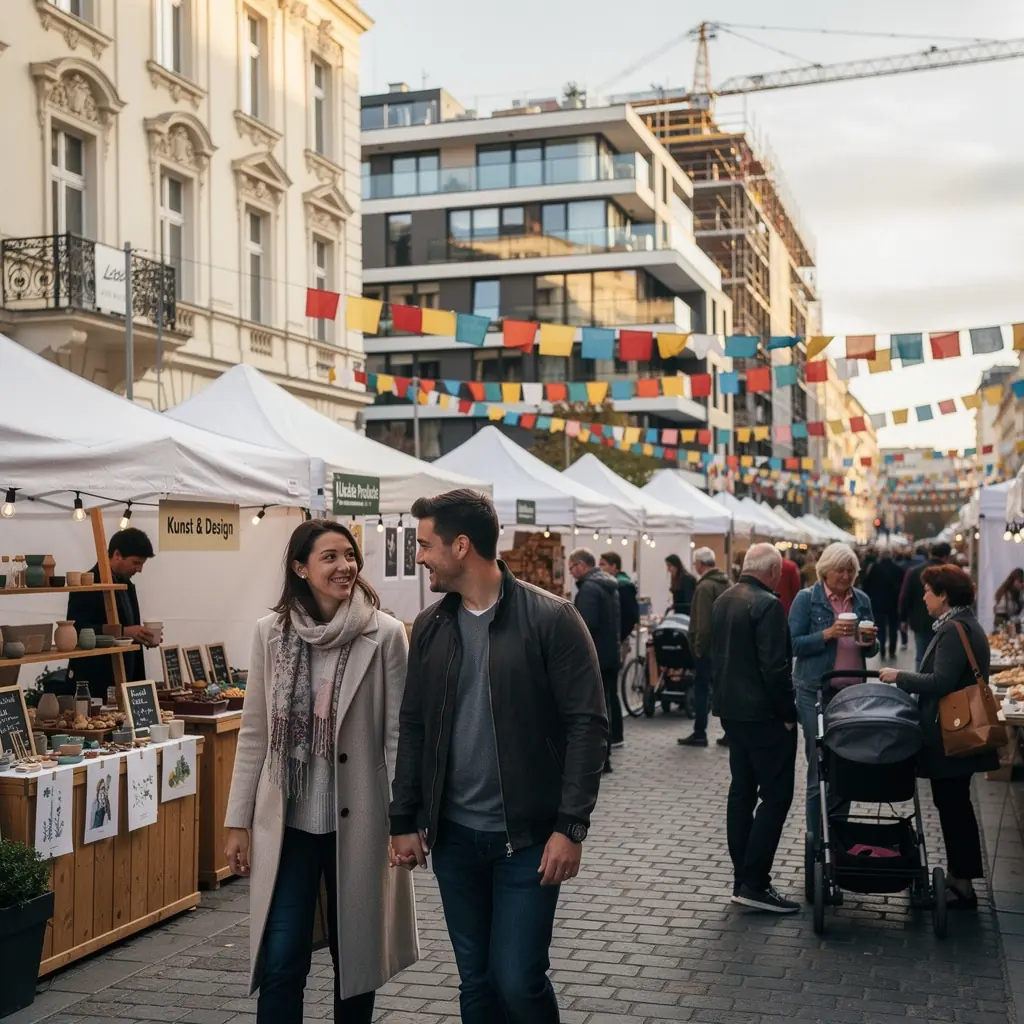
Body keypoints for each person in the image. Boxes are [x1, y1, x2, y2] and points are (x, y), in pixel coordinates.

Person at [389, 489, 607, 1024]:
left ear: (461, 546)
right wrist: (403, 817)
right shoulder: (433, 627)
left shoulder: (552, 619)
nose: (418, 557)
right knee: (477, 984)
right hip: (455, 840)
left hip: (529, 840)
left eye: (424, 544)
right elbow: (414, 726)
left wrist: (570, 826)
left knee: (519, 979)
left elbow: (588, 726)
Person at [223, 520, 418, 1023]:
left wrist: (403, 821)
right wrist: (236, 820)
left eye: (349, 555)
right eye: (329, 557)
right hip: (288, 824)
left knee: (354, 960)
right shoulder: (272, 634)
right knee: (283, 956)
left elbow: (398, 736)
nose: (344, 566)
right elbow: (255, 732)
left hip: (361, 821)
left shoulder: (387, 634)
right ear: (300, 568)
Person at [880, 565, 998, 909]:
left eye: (929, 591)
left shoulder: (954, 629)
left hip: (952, 734)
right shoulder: (965, 625)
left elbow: (941, 681)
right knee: (953, 805)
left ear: (944, 595)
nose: (924, 597)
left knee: (953, 806)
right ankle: (960, 877)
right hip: (956, 731)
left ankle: (961, 884)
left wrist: (899, 676)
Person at [711, 543, 799, 913]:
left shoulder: (724, 599)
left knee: (742, 793)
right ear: (774, 572)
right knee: (775, 796)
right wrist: (789, 712)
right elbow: (775, 668)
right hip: (763, 715)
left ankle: (743, 878)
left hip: (733, 711)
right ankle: (755, 881)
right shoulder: (767, 605)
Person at [789, 543, 878, 840]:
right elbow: (792, 643)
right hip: (814, 690)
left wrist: (871, 643)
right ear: (825, 570)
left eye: (851, 570)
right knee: (819, 767)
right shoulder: (807, 599)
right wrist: (826, 634)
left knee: (847, 764)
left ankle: (837, 836)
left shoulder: (862, 599)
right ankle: (817, 841)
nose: (845, 575)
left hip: (852, 693)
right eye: (840, 569)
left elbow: (871, 645)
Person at [66, 528, 156, 700]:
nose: (139, 569)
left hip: (125, 679)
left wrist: (142, 636)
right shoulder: (86, 586)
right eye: (136, 563)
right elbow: (77, 631)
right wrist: (123, 632)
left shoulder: (127, 586)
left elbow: (129, 629)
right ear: (117, 555)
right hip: (95, 683)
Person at [570, 549, 621, 774]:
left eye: (571, 567)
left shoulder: (589, 590)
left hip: (596, 657)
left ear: (581, 565)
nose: (570, 572)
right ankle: (605, 755)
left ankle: (600, 758)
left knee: (594, 710)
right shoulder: (608, 586)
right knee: (605, 706)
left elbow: (584, 627)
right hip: (610, 654)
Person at [679, 547, 730, 748]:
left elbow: (702, 623)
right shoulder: (727, 583)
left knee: (702, 690)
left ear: (700, 564)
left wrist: (698, 647)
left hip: (708, 649)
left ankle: (700, 732)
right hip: (726, 647)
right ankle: (729, 732)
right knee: (723, 691)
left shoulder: (704, 587)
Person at [599, 550, 638, 749]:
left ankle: (616, 734)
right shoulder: (615, 585)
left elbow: (631, 616)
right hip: (614, 641)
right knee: (610, 690)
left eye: (604, 564)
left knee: (611, 691)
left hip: (616, 642)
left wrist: (619, 636)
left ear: (614, 566)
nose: (601, 568)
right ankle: (615, 734)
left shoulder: (624, 586)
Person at [900, 542, 952, 669]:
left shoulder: (914, 571)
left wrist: (903, 619)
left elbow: (905, 596)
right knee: (944, 657)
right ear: (946, 556)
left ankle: (920, 686)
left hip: (920, 621)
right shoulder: (950, 573)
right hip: (947, 620)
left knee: (921, 657)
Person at [862, 548, 905, 660]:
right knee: (893, 628)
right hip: (893, 603)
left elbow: (866, 586)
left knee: (880, 627)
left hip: (878, 603)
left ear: (880, 556)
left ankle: (882, 650)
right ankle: (892, 650)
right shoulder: (898, 569)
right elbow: (902, 588)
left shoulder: (873, 568)